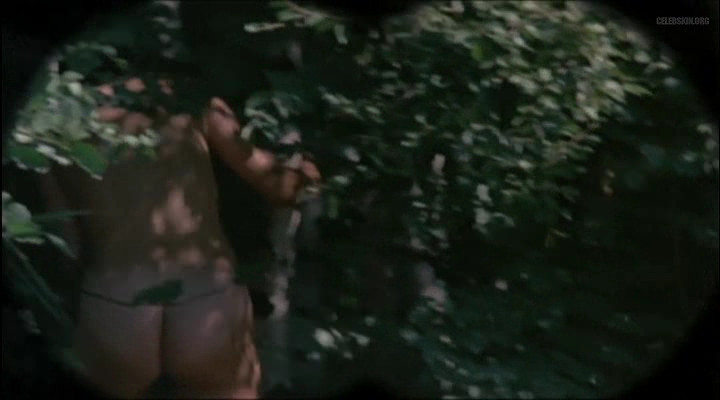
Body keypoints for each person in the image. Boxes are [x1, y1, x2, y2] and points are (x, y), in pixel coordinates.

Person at [51, 77, 320, 399]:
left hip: (117, 302)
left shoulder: (51, 117)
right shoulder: (186, 94)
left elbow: (64, 239)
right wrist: (310, 168)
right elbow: (281, 187)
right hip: (205, 295)